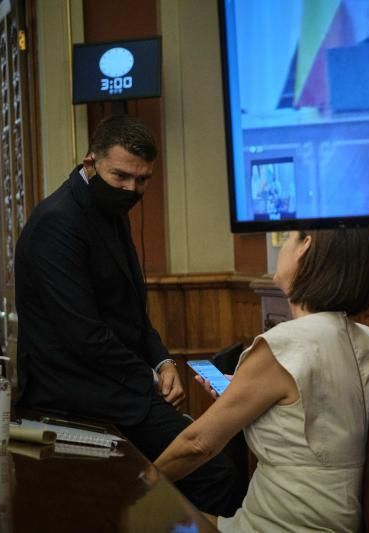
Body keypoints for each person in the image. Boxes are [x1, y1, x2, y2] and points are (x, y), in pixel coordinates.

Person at [14, 115, 241, 516]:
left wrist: (163, 359)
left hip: (115, 385)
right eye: (120, 176)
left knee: (216, 465)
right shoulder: (57, 222)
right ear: (90, 163)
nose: (131, 190)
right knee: (215, 471)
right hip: (77, 393)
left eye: (142, 180)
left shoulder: (108, 210)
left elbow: (132, 311)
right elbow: (83, 334)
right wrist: (150, 379)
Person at [154, 228, 369, 532]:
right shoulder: (367, 339)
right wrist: (243, 395)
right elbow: (311, 422)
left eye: (287, 237)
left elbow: (197, 444)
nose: (283, 246)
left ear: (304, 247)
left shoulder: (285, 344)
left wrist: (141, 482)